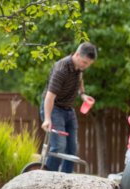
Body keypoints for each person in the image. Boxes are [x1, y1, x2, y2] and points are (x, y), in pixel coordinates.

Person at [40, 42, 97, 173]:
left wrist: (82, 95)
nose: (85, 66)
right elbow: (49, 96)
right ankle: (48, 178)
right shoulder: (61, 69)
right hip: (54, 109)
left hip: (68, 110)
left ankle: (65, 180)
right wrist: (47, 118)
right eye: (84, 62)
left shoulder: (79, 68)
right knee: (59, 146)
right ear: (77, 55)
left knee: (72, 149)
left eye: (88, 64)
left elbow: (80, 80)